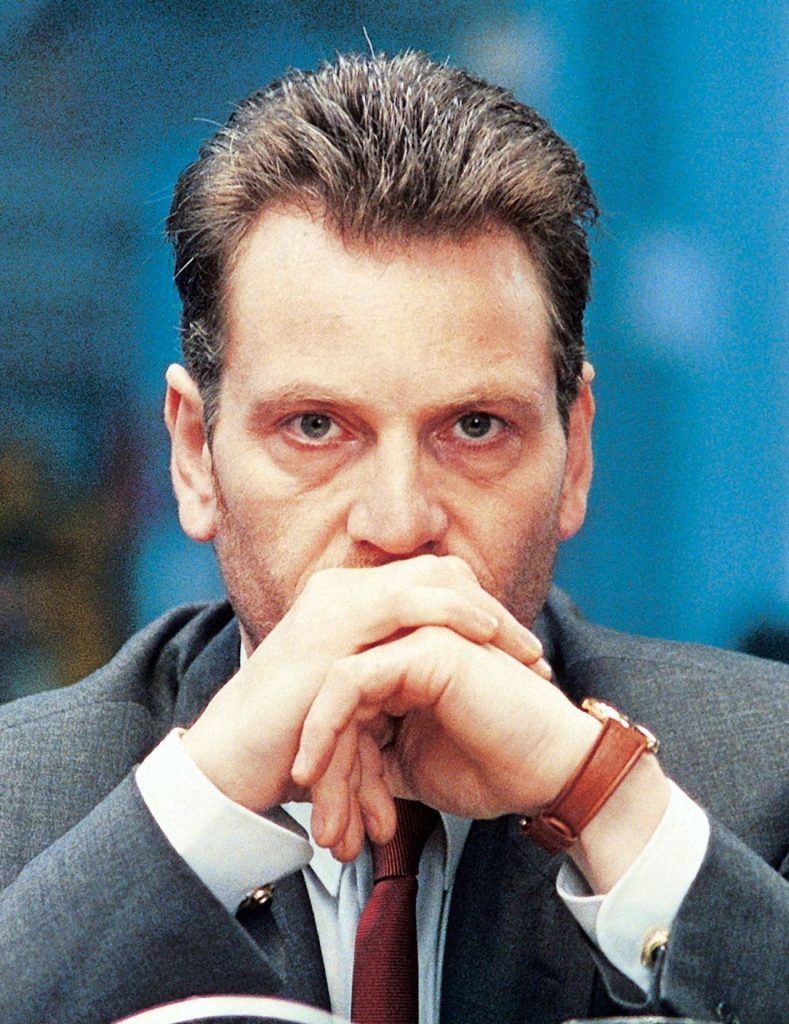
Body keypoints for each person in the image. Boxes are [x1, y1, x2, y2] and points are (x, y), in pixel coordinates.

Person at [0, 52, 786, 1024]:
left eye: (475, 428)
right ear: (195, 455)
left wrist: (602, 800)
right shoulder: (22, 799)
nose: (401, 523)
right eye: (316, 427)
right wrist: (199, 810)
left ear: (575, 455)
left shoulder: (769, 771)